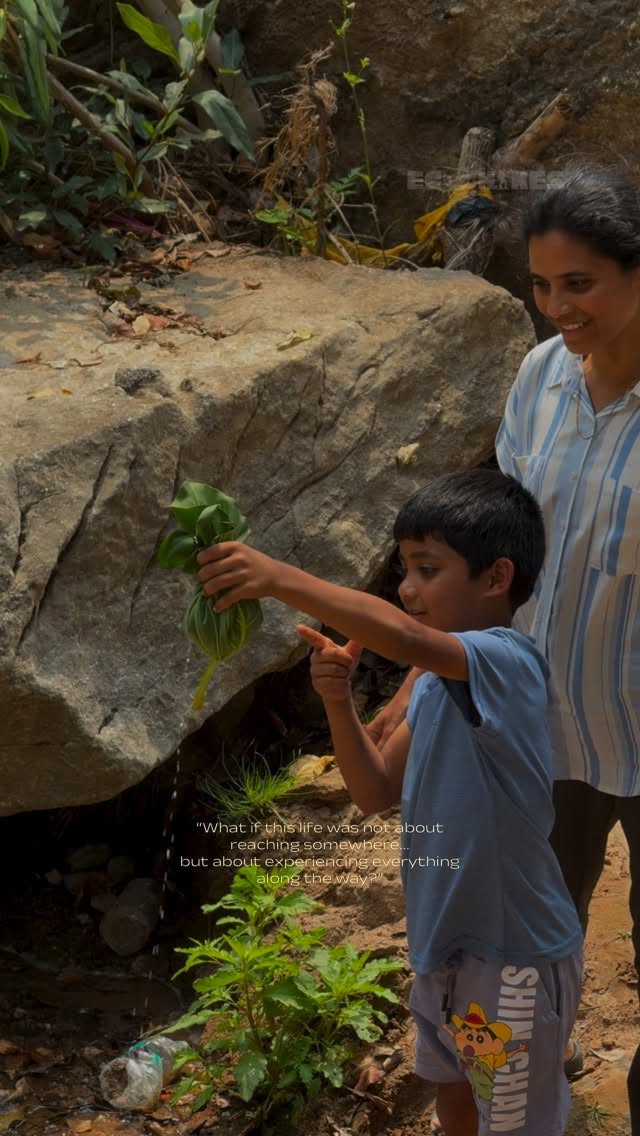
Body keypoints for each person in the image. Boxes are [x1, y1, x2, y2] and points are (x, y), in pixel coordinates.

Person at [368, 166, 640, 1134]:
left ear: (635, 274)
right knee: (518, 958)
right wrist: (416, 676)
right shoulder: (538, 382)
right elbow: (489, 565)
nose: (557, 308)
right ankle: (521, 1099)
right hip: (533, 738)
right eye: (540, 285)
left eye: (580, 284)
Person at [196, 469, 583, 1136]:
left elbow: (403, 639)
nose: (406, 588)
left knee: (514, 1123)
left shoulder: (508, 661)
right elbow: (373, 790)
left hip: (512, 959)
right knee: (455, 1101)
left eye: (426, 569)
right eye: (403, 568)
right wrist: (338, 702)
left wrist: (279, 578)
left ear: (496, 578)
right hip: (445, 951)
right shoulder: (433, 687)